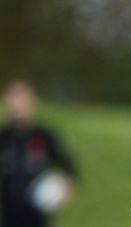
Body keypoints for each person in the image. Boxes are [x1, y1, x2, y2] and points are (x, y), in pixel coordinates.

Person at [0, 80, 77, 227]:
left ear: (33, 102)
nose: (18, 104)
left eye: (22, 98)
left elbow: (69, 169)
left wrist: (65, 191)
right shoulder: (3, 138)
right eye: (14, 98)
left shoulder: (45, 136)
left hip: (38, 219)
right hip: (7, 217)